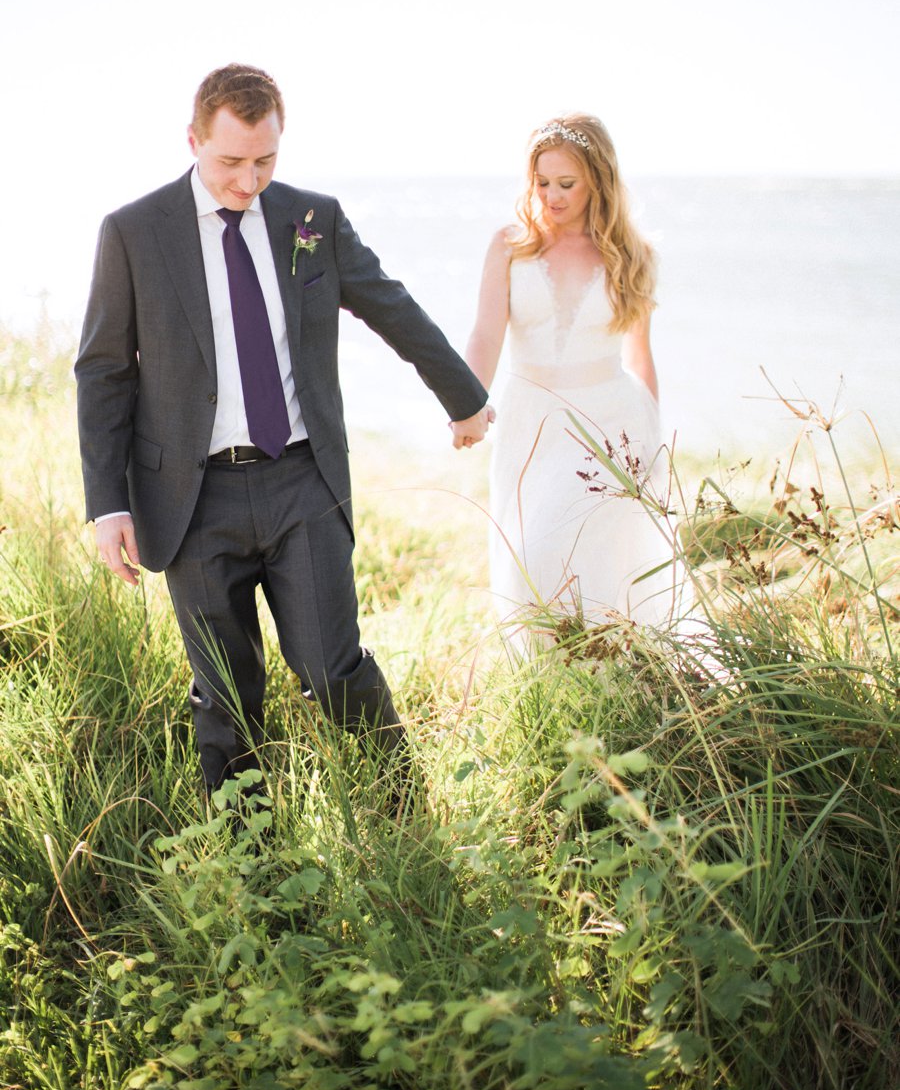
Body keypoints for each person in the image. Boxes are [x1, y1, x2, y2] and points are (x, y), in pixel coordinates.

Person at [75, 63, 491, 807]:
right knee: (227, 697)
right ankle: (250, 862)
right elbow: (104, 371)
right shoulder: (134, 233)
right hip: (191, 497)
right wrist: (109, 505)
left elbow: (390, 306)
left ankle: (403, 815)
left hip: (302, 480)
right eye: (232, 161)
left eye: (265, 160)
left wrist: (464, 399)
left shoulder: (311, 219)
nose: (249, 180)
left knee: (335, 670)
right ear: (194, 140)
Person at [465, 114, 677, 631]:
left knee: (596, 563)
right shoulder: (510, 245)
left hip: (609, 422)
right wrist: (465, 402)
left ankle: (615, 679)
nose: (552, 196)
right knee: (530, 559)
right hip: (530, 421)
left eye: (567, 184)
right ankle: (552, 686)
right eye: (542, 183)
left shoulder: (632, 255)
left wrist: (652, 447)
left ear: (597, 180)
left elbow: (640, 356)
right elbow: (487, 334)